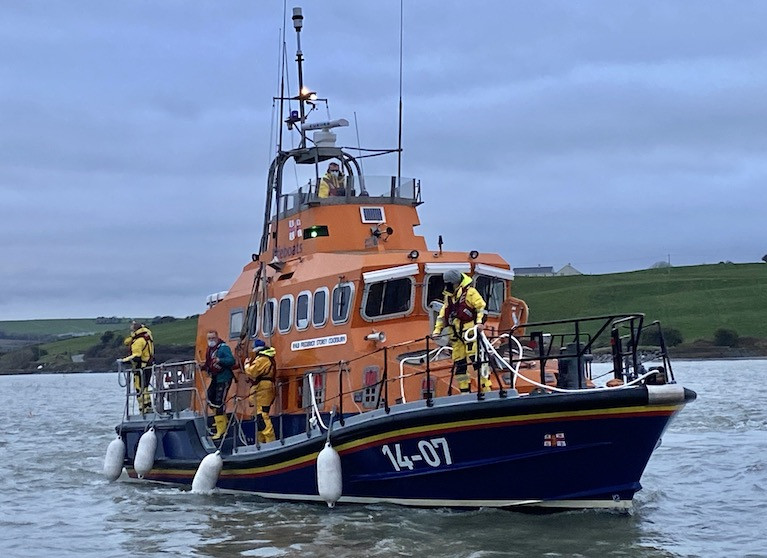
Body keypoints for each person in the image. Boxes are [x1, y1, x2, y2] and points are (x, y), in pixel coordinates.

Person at [431, 269, 489, 393]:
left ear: (455, 282)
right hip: (456, 336)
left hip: (470, 334)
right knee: (460, 366)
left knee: (478, 362)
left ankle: (486, 389)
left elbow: (481, 308)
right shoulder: (449, 297)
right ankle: (464, 391)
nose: (447, 286)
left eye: (449, 283)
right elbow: (442, 315)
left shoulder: (470, 293)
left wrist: (479, 323)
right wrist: (437, 331)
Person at [199, 330, 235, 440]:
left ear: (217, 337)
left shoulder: (223, 348)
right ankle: (220, 420)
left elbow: (231, 360)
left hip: (224, 378)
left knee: (219, 402)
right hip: (215, 378)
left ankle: (221, 430)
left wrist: (220, 360)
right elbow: (209, 363)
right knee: (210, 398)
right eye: (209, 338)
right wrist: (203, 367)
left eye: (212, 338)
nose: (211, 340)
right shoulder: (210, 349)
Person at [244, 338, 277, 443]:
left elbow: (252, 371)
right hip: (263, 388)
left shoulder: (262, 359)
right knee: (258, 416)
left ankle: (270, 441)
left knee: (262, 415)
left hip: (263, 388)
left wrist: (247, 365)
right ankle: (261, 441)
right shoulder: (266, 358)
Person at [120, 321, 155, 414]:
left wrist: (123, 361)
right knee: (145, 388)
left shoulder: (138, 341)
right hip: (148, 366)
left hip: (141, 368)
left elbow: (136, 356)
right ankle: (147, 407)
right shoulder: (146, 338)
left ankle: (143, 409)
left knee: (139, 388)